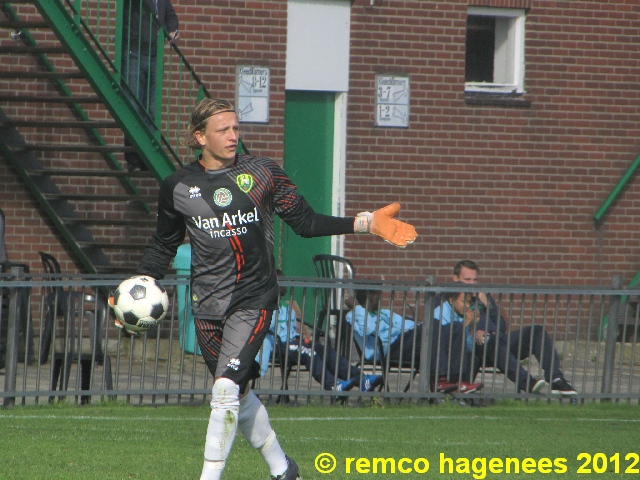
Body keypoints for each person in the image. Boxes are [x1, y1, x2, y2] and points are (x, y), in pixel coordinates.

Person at [116, 98, 417, 480]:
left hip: (253, 298)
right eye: (222, 129)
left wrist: (365, 223)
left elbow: (306, 222)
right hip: (207, 305)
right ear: (199, 137)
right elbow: (163, 244)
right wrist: (140, 282)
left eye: (235, 128)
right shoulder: (178, 186)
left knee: (224, 389)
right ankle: (282, 468)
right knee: (236, 395)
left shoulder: (263, 172)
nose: (232, 136)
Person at [452, 259, 577, 396]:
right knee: (492, 340)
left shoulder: (483, 297)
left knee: (536, 331)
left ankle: (556, 378)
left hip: (499, 343)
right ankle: (528, 383)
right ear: (455, 279)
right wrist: (472, 331)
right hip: (474, 347)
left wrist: (488, 305)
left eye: (475, 280)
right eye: (467, 280)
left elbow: (501, 326)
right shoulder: (451, 299)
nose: (472, 284)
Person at [258, 274, 383, 394]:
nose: (286, 285)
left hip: (293, 343)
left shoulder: (286, 308)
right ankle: (332, 385)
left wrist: (299, 339)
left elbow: (291, 332)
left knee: (324, 350)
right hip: (277, 346)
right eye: (282, 282)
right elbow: (266, 328)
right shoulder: (266, 306)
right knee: (307, 351)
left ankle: (362, 380)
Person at [346, 289, 482, 394]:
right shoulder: (353, 315)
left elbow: (407, 325)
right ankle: (440, 381)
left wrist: (420, 327)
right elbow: (369, 329)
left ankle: (457, 381)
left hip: (406, 342)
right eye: (378, 295)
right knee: (432, 326)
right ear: (370, 296)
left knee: (454, 328)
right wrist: (358, 307)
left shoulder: (385, 313)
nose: (381, 299)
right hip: (388, 349)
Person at [121, 0, 179, 171]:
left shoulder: (161, 1)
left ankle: (146, 156)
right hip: (134, 53)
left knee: (152, 109)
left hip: (155, 56)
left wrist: (174, 32)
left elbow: (171, 17)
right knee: (134, 105)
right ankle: (133, 157)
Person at [432, 288, 483, 393]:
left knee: (474, 357)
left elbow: (468, 346)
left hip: (454, 353)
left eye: (468, 302)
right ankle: (457, 383)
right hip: (440, 354)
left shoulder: (461, 315)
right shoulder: (440, 313)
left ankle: (463, 387)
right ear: (451, 300)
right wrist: (465, 324)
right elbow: (445, 339)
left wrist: (473, 325)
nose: (467, 306)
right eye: (463, 302)